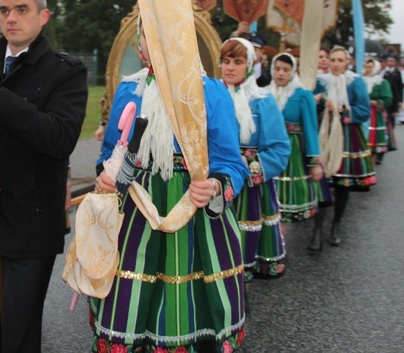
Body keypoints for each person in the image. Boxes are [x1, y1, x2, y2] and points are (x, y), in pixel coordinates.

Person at [92, 18, 249, 351]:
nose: (158, 43)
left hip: (190, 208)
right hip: (136, 205)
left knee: (186, 299)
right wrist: (106, 176)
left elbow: (231, 163)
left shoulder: (209, 91)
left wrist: (217, 186)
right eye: (150, 35)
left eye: (166, 34)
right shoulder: (129, 89)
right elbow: (110, 152)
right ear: (140, 43)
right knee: (133, 295)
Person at [0, 0, 88, 352]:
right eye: (4, 10)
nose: (11, 18)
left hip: (31, 222)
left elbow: (59, 138)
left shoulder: (65, 71)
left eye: (21, 9)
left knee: (19, 332)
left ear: (43, 16)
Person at [220, 38, 290, 279]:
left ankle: (243, 290)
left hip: (250, 189)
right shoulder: (211, 96)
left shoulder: (263, 101)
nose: (229, 67)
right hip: (214, 182)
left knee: (242, 242)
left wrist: (248, 164)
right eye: (225, 61)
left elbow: (279, 149)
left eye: (237, 62)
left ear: (250, 65)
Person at [317, 47, 375, 247]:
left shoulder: (355, 82)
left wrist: (343, 110)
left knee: (342, 184)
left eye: (340, 60)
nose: (335, 64)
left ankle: (336, 225)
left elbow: (364, 110)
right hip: (324, 134)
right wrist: (319, 103)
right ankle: (317, 229)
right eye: (332, 60)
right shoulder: (321, 81)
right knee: (322, 181)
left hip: (347, 135)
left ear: (347, 62)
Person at [267, 53, 324, 226]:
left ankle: (280, 245)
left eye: (285, 69)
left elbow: (311, 129)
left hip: (292, 152)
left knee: (283, 204)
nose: (281, 73)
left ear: (293, 71)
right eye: (277, 69)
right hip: (268, 150)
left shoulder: (303, 95)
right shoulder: (265, 93)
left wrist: (314, 162)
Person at [362, 59, 393, 165]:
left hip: (374, 115)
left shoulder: (381, 82)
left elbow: (388, 99)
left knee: (373, 143)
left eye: (370, 67)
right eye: (366, 67)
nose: (368, 69)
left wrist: (375, 102)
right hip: (362, 112)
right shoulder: (360, 81)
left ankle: (371, 166)